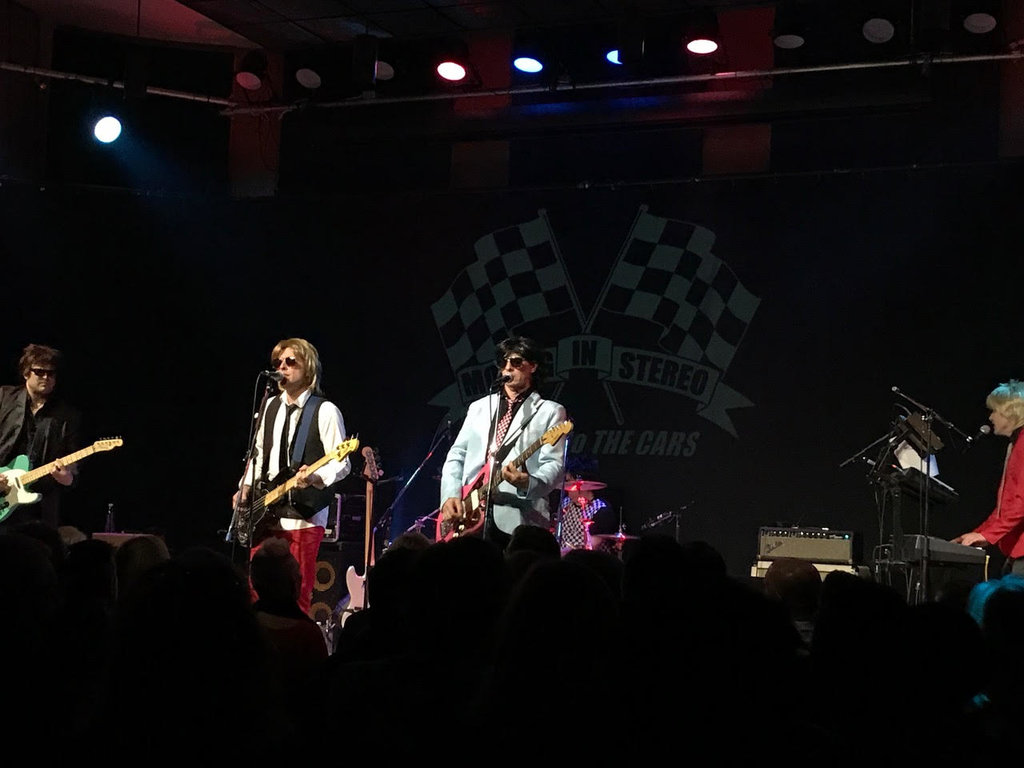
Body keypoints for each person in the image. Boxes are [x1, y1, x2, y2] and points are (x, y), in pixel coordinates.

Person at [232, 337, 351, 615]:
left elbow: (342, 463)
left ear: (308, 367)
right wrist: (245, 487)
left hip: (303, 516)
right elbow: (257, 454)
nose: (281, 367)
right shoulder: (270, 406)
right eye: (278, 363)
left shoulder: (325, 411)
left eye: (290, 361)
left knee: (296, 594)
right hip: (264, 513)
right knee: (256, 590)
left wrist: (315, 477)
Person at [439, 335, 568, 551]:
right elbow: (457, 455)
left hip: (518, 520)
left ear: (533, 366)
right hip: (469, 514)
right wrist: (450, 495)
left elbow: (554, 465)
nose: (508, 368)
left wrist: (527, 482)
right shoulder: (479, 407)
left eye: (516, 362)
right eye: (503, 362)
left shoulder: (550, 411)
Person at [0, 344, 83, 531]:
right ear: (26, 373)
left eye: (51, 373)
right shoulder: (4, 398)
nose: (46, 377)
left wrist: (68, 478)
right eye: (39, 372)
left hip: (40, 507)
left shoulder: (67, 415)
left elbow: (73, 462)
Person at [953, 379, 1024, 575]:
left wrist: (987, 534)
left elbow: (1021, 502)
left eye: (994, 411)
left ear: (1011, 412)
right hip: (1016, 550)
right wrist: (979, 532)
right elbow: (1005, 507)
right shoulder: (1016, 443)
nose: (991, 417)